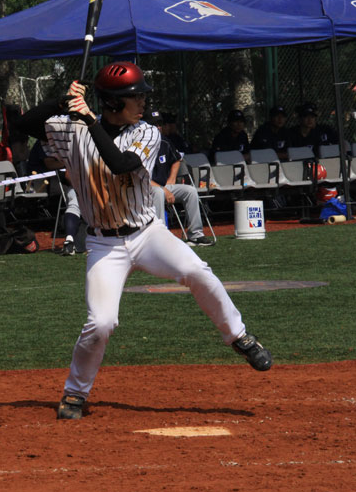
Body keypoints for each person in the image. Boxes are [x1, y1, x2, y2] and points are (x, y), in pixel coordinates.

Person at [17, 61, 272, 421]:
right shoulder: (70, 129)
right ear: (113, 102)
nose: (142, 103)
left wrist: (89, 118)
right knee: (102, 322)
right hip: (104, 244)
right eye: (134, 97)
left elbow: (120, 163)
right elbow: (21, 125)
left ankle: (239, 336)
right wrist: (62, 101)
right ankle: (75, 394)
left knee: (196, 270)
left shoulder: (147, 133)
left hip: (147, 233)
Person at [148, 111, 212, 247]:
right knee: (159, 193)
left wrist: (171, 179)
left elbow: (177, 160)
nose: (158, 127)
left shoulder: (165, 142)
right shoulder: (139, 145)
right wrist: (163, 189)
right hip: (145, 188)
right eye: (154, 124)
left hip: (164, 186)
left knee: (189, 190)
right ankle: (161, 238)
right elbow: (138, 175)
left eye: (160, 124)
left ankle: (196, 235)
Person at [27, 138, 84, 256]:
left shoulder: (73, 139)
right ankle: (70, 240)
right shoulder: (45, 141)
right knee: (75, 201)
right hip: (47, 182)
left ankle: (71, 240)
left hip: (80, 181)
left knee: (77, 201)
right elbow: (51, 164)